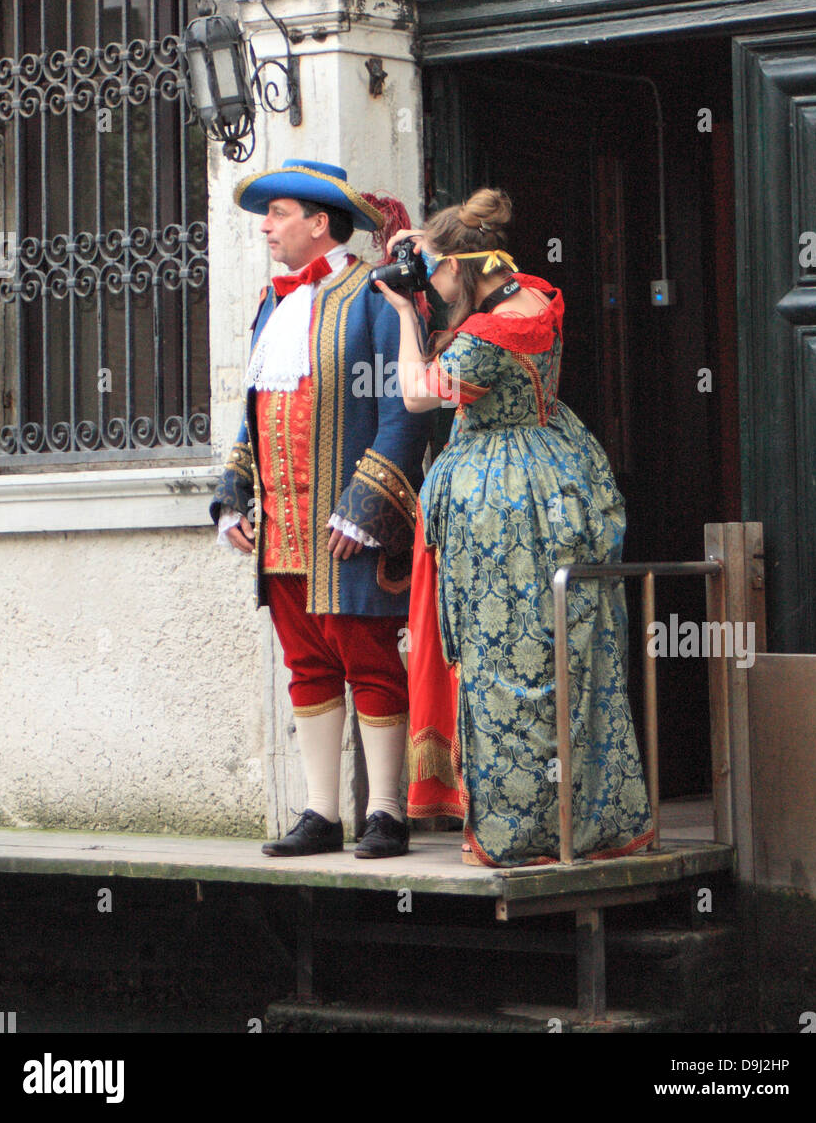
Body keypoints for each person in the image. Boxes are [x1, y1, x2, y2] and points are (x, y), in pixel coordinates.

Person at [374, 187, 653, 867]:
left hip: (507, 507)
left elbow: (419, 391)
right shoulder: (527, 294)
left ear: (464, 266)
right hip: (558, 471)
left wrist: (406, 315)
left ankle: (520, 834)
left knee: (510, 664)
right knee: (578, 654)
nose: (434, 288)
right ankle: (596, 823)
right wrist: (425, 260)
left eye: (439, 273)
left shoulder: (486, 335)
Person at [211, 159, 428, 859]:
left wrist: (365, 506)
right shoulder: (271, 307)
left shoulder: (375, 297)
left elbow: (405, 413)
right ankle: (321, 813)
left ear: (319, 222)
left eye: (277, 214)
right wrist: (231, 500)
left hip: (346, 528)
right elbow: (255, 415)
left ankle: (387, 813)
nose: (267, 226)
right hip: (282, 532)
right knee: (307, 667)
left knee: (369, 660)